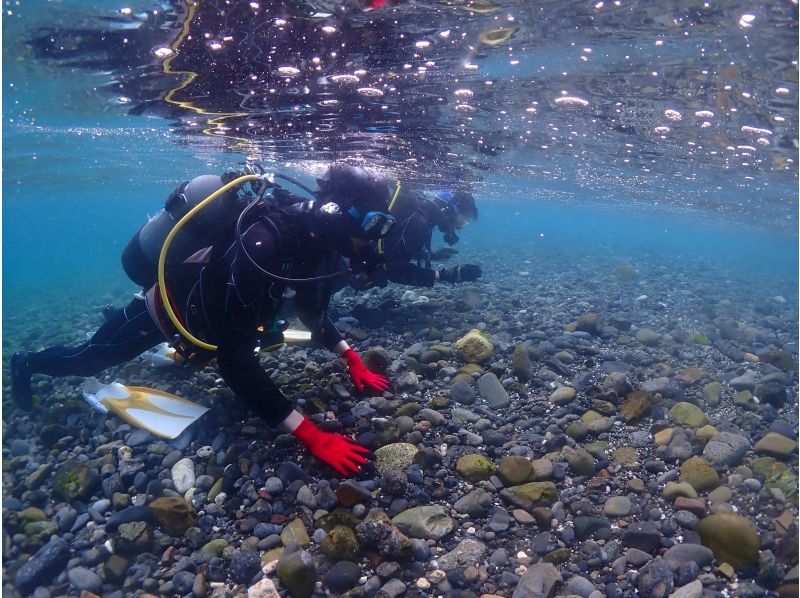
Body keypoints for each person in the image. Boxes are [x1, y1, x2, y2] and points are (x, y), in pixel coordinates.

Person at [10, 164, 397, 476]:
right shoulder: (265, 245)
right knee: (89, 359)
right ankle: (25, 363)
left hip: (216, 323)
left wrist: (351, 358)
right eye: (374, 225)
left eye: (384, 227)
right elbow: (235, 364)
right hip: (166, 314)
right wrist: (311, 435)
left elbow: (313, 312)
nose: (375, 241)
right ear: (340, 215)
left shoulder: (316, 241)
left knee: (205, 342)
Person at [370, 186, 481, 288]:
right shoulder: (419, 224)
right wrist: (445, 275)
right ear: (447, 211)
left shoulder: (422, 215)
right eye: (462, 218)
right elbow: (394, 271)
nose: (459, 226)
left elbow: (397, 248)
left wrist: (432, 256)